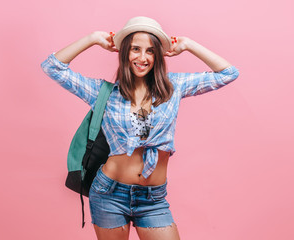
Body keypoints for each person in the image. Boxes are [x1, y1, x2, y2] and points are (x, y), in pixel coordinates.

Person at [41, 16, 239, 240]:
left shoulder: (174, 87)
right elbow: (52, 66)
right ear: (125, 52)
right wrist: (93, 38)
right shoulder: (103, 92)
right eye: (135, 49)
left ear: (158, 55)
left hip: (153, 198)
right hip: (109, 194)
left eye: (150, 51)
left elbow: (228, 73)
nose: (142, 58)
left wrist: (188, 44)